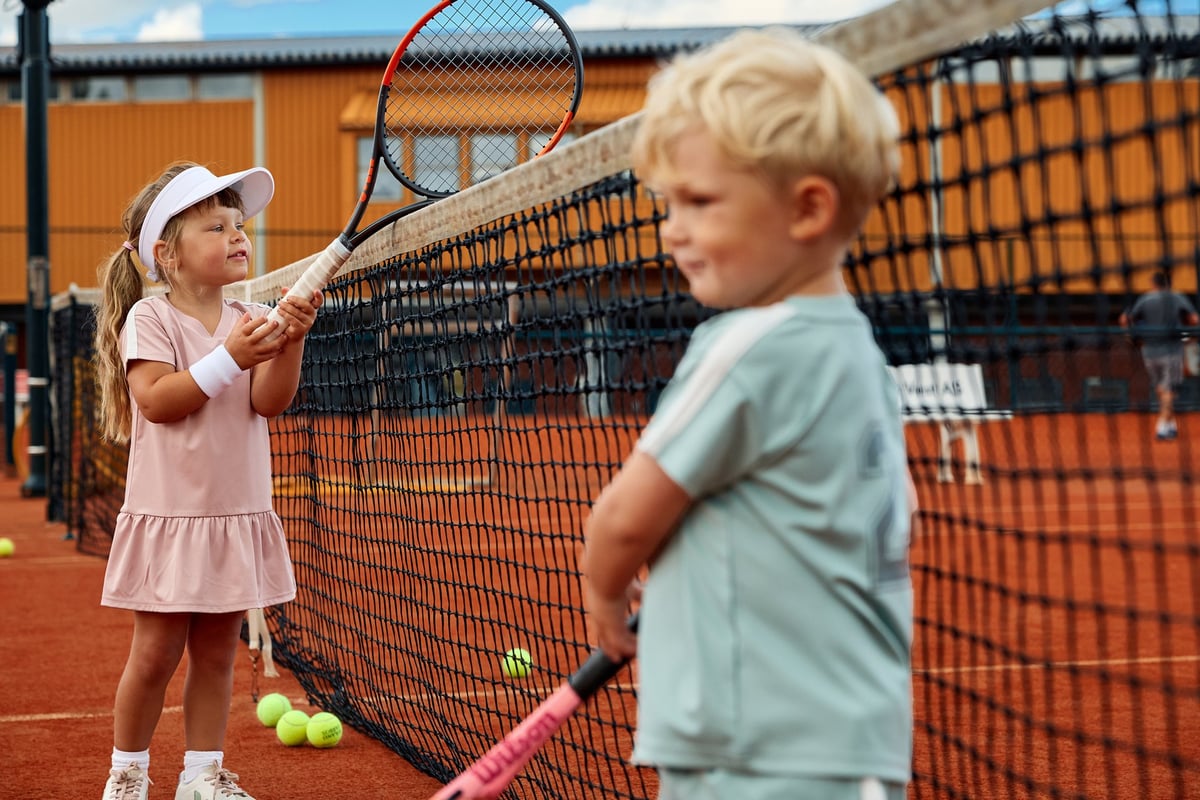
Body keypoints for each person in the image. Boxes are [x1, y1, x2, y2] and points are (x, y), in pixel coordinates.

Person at [581, 27, 915, 800]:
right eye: (669, 203)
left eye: (699, 201)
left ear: (807, 208)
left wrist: (604, 595)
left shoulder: (749, 345)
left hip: (758, 748)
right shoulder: (857, 354)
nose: (673, 228)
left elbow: (622, 520)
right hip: (843, 746)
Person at [93, 162, 322, 800]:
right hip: (172, 516)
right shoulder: (150, 319)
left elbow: (268, 402)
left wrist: (291, 342)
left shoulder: (250, 316)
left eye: (238, 225)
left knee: (218, 654)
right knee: (155, 655)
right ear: (166, 254)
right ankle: (128, 774)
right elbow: (159, 400)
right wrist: (233, 356)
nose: (237, 235)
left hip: (236, 512)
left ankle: (201, 776)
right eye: (215, 226)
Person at [1120, 271, 1198, 441]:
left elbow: (1125, 319)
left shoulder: (1145, 298)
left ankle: (1171, 425)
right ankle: (1162, 426)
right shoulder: (1177, 297)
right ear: (1169, 283)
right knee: (1169, 389)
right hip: (1172, 351)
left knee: (1161, 388)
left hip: (1149, 351)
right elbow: (1194, 319)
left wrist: (1130, 336)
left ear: (1153, 283)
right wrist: (1189, 335)